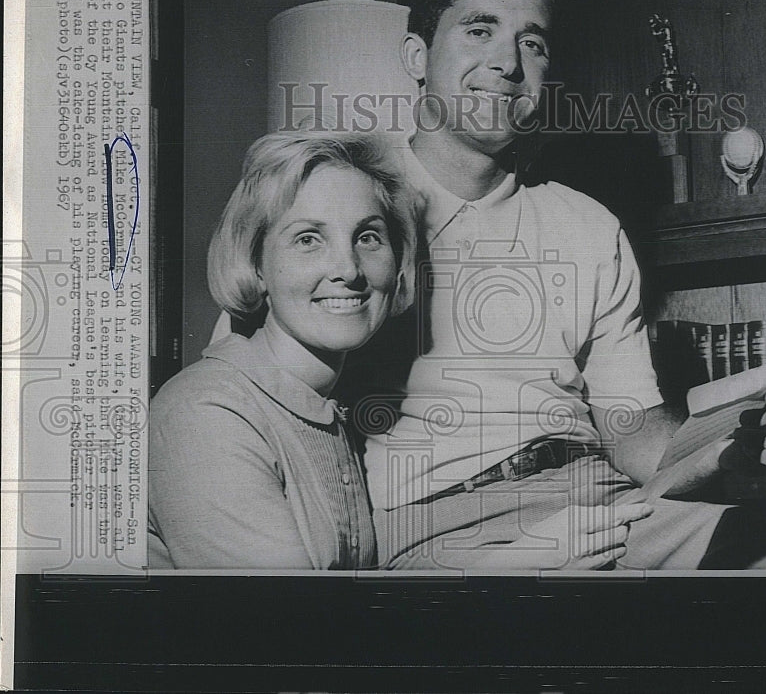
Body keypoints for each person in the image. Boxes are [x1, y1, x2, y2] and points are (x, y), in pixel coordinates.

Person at [340, 0, 766, 570]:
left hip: (605, 505)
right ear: (417, 56)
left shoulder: (586, 224)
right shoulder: (347, 200)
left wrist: (720, 449)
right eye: (479, 30)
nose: (507, 63)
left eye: (531, 42)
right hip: (443, 529)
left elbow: (630, 428)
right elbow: (259, 385)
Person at [153, 131, 648, 569]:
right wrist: (519, 558)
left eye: (368, 236)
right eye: (307, 239)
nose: (347, 268)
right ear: (256, 264)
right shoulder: (208, 414)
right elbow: (292, 642)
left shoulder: (323, 411)